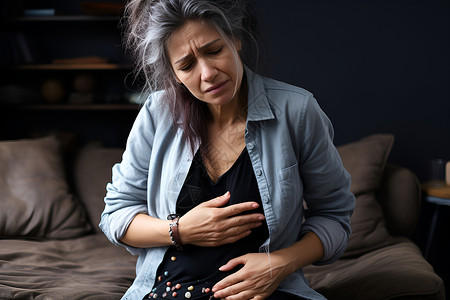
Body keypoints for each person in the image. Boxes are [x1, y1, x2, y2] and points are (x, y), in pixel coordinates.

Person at [100, 0, 355, 299]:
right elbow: (116, 215)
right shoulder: (156, 114)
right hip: (170, 291)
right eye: (187, 65)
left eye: (214, 50)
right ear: (174, 73)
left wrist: (278, 264)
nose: (207, 73)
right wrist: (180, 230)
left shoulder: (297, 110)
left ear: (235, 39)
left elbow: (334, 216)